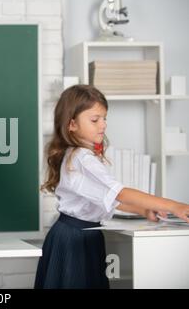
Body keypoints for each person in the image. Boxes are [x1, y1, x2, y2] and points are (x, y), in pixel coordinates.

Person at [35, 84, 189, 289]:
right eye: (95, 120)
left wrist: (143, 209)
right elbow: (121, 193)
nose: (103, 125)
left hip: (82, 236)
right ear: (71, 124)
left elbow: (109, 198)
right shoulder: (81, 157)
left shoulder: (79, 155)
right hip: (74, 239)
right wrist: (174, 206)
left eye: (104, 118)